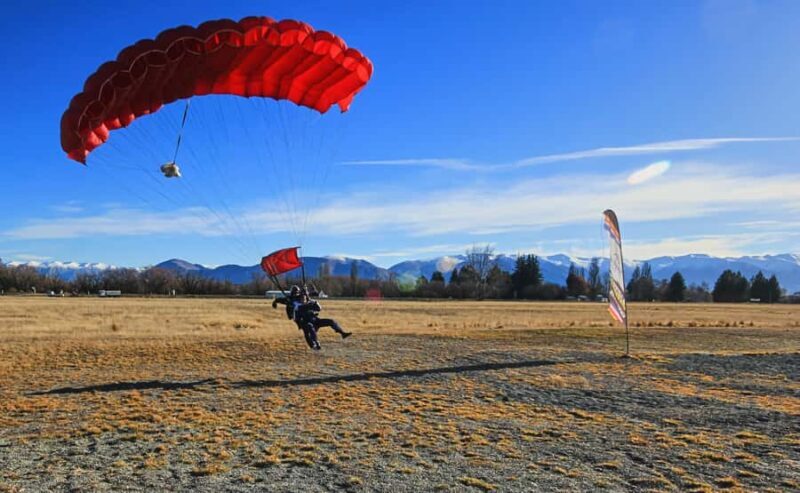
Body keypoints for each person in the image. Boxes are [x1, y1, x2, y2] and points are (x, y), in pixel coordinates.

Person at [272, 285, 351, 350]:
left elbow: (318, 306)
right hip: (303, 321)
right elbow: (279, 300)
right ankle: (315, 344)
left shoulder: (307, 300)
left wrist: (309, 295)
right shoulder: (292, 302)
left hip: (315, 320)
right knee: (309, 329)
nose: (302, 298)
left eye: (298, 294)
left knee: (331, 321)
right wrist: (275, 302)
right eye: (295, 293)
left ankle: (342, 333)